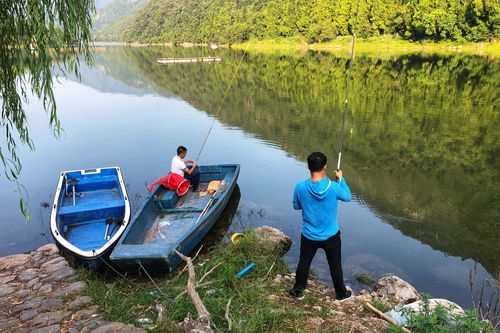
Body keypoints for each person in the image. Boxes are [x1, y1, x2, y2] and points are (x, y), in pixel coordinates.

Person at [290, 152, 352, 301]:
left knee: (304, 262)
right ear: (325, 167)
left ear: (308, 167)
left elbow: (296, 206)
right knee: (335, 265)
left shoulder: (300, 187)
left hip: (309, 235)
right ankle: (341, 294)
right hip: (331, 236)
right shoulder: (333, 187)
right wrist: (341, 179)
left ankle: (298, 291)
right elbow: (348, 197)